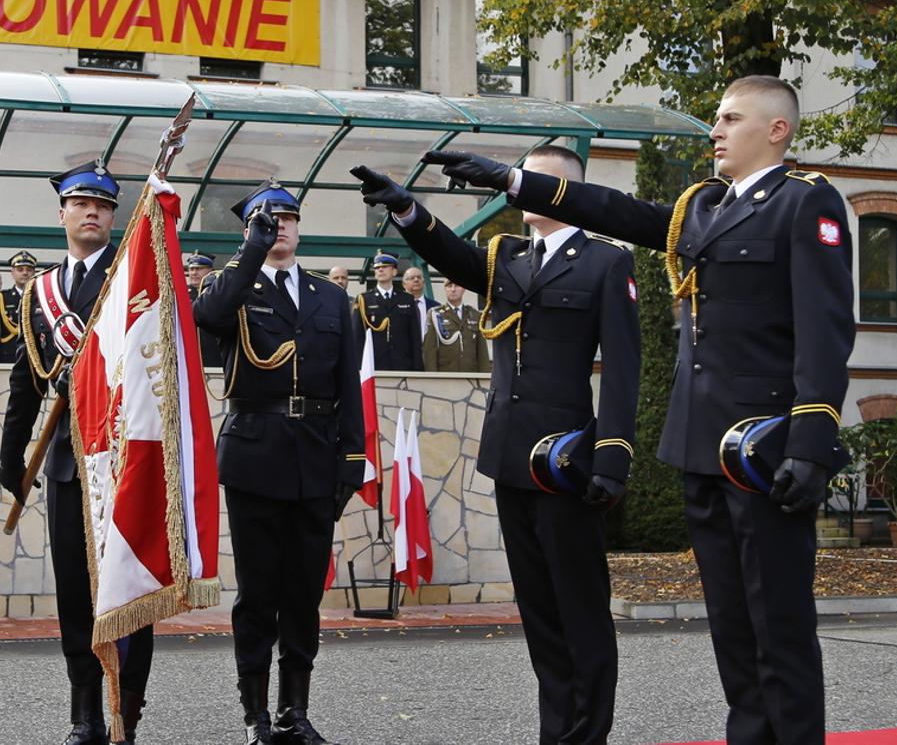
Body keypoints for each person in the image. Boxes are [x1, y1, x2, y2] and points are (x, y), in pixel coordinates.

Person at [426, 75, 853, 745]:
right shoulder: (703, 209)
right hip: (703, 448)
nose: (716, 130)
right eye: (716, 117)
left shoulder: (805, 203)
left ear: (777, 130)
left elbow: (826, 326)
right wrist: (516, 182)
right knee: (734, 633)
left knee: (781, 631)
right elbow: (622, 213)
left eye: (731, 118)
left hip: (765, 449)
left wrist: (811, 439)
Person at [358, 146, 639, 744]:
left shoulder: (606, 263)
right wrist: (409, 209)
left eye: (529, 176)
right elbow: (453, 257)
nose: (514, 189)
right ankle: (554, 733)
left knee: (581, 613)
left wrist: (612, 457)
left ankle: (588, 736)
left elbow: (622, 368)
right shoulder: (509, 255)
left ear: (560, 189)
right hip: (511, 460)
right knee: (539, 614)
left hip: (567, 464)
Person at [193, 180, 365, 745]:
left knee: (302, 593)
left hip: (316, 455)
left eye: (288, 217)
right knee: (258, 593)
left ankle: (295, 710)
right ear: (248, 229)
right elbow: (208, 315)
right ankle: (255, 714)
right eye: (268, 219)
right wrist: (250, 252)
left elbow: (348, 386)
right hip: (255, 452)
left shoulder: (329, 296)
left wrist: (352, 458)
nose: (280, 226)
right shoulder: (232, 286)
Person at [0, 161, 150, 745]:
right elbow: (25, 381)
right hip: (66, 467)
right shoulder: (42, 291)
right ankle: (84, 715)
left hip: (125, 462)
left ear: (113, 216)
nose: (92, 212)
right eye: (81, 203)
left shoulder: (134, 278)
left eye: (104, 205)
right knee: (73, 597)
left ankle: (125, 715)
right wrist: (11, 458)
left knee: (130, 594)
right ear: (61, 213)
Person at [356, 251, 422, 371]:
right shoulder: (364, 299)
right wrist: (359, 367)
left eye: (385, 267)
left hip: (403, 365)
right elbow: (358, 337)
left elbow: (415, 337)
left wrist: (418, 368)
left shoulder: (407, 299)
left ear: (394, 272)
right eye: (377, 268)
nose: (380, 270)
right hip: (374, 365)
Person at [422, 279, 489, 375]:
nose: (453, 289)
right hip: (446, 376)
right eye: (449, 286)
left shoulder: (474, 315)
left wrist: (484, 376)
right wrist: (433, 378)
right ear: (445, 288)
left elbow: (482, 352)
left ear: (464, 289)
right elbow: (429, 351)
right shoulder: (435, 315)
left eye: (457, 286)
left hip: (471, 377)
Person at [0, 251, 37, 363]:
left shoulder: (40, 297)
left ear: (34, 272)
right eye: (20, 269)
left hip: (35, 357)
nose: (25, 273)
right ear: (12, 273)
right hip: (9, 356)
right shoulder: (1, 298)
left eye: (29, 269)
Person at [184, 250, 222, 365]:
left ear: (210, 270)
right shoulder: (182, 293)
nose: (194, 273)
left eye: (199, 269)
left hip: (213, 352)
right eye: (191, 269)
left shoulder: (217, 292)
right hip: (190, 350)